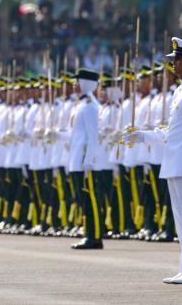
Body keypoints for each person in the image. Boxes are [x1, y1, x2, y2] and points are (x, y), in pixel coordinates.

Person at [126, 37, 182, 284]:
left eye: (179, 59)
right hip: (175, 164)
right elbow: (172, 133)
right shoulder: (181, 90)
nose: (174, 64)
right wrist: (141, 136)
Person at [68, 68, 102, 250]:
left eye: (77, 81)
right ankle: (88, 232)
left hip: (83, 161)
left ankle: (94, 235)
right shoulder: (80, 105)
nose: (74, 85)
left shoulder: (90, 106)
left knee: (90, 200)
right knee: (82, 200)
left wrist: (89, 161)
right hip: (76, 159)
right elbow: (75, 135)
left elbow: (93, 137)